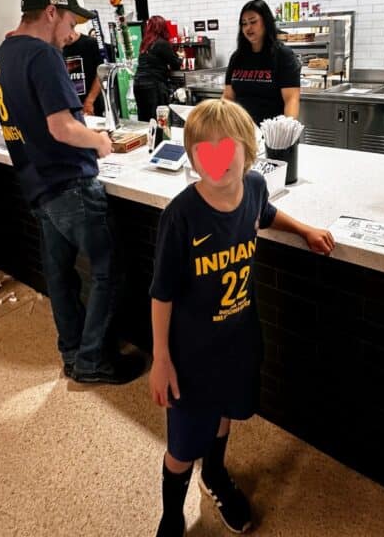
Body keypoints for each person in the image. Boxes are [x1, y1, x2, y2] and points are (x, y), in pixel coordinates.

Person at [149, 99, 334, 537]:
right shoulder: (181, 217)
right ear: (192, 157)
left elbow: (264, 214)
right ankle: (171, 515)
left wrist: (303, 229)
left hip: (240, 340)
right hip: (191, 354)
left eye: (225, 146)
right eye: (203, 149)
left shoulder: (253, 186)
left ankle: (215, 474)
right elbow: (161, 294)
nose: (214, 157)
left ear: (249, 152)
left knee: (226, 413)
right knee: (182, 444)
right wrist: (161, 358)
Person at [0, 0, 143, 384]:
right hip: (69, 181)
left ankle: (72, 352)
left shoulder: (1, 55)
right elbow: (61, 128)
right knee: (109, 270)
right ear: (51, 11)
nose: (73, 32)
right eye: (71, 19)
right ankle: (93, 361)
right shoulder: (42, 55)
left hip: (35, 182)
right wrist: (99, 142)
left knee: (60, 274)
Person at [222, 0, 302, 126]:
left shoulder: (283, 55)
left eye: (253, 22)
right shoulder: (237, 58)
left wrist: (286, 131)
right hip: (242, 131)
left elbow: (291, 99)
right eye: (244, 24)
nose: (248, 27)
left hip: (272, 134)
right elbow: (228, 97)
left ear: (266, 22)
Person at [133, 15, 182, 122]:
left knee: (144, 118)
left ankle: (147, 138)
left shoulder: (145, 43)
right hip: (153, 85)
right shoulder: (162, 43)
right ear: (163, 28)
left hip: (138, 84)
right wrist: (180, 57)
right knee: (158, 119)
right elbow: (175, 64)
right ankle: (158, 139)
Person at [62, 26, 105, 117]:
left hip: (91, 106)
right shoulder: (56, 48)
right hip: (68, 108)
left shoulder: (91, 44)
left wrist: (90, 101)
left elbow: (101, 73)